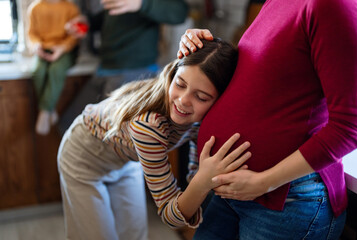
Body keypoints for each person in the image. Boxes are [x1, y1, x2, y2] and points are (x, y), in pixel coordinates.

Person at [177, 0, 357, 238]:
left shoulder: (333, 6)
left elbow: (350, 127)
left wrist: (264, 182)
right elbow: (260, 79)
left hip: (285, 201)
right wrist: (200, 46)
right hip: (231, 193)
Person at [57, 39, 246, 240]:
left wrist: (196, 175)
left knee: (135, 235)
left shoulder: (204, 120)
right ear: (172, 75)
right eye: (180, 84)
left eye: (201, 97)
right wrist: (202, 181)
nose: (183, 100)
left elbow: (195, 146)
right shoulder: (149, 126)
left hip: (126, 159)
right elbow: (169, 214)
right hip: (83, 156)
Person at [58, 0, 189, 134]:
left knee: (107, 135)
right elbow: (109, 17)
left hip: (133, 73)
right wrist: (88, 22)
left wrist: (141, 4)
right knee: (70, 125)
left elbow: (180, 13)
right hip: (104, 69)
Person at [27, 0, 80, 135]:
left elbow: (75, 36)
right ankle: (50, 109)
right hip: (43, 49)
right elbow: (32, 34)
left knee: (55, 70)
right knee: (37, 71)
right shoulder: (35, 8)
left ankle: (44, 112)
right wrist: (37, 45)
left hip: (64, 50)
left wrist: (62, 48)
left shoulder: (70, 8)